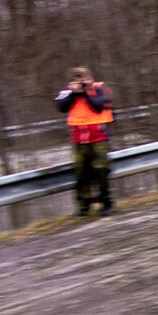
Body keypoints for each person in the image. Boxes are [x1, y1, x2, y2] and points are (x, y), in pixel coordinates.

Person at [55, 67, 115, 216]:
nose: (82, 82)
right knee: (81, 173)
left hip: (98, 136)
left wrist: (85, 94)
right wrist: (74, 94)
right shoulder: (69, 92)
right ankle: (83, 206)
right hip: (79, 138)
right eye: (78, 79)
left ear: (90, 78)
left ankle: (106, 202)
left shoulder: (100, 88)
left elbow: (98, 106)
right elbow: (61, 107)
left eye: (84, 79)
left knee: (101, 170)